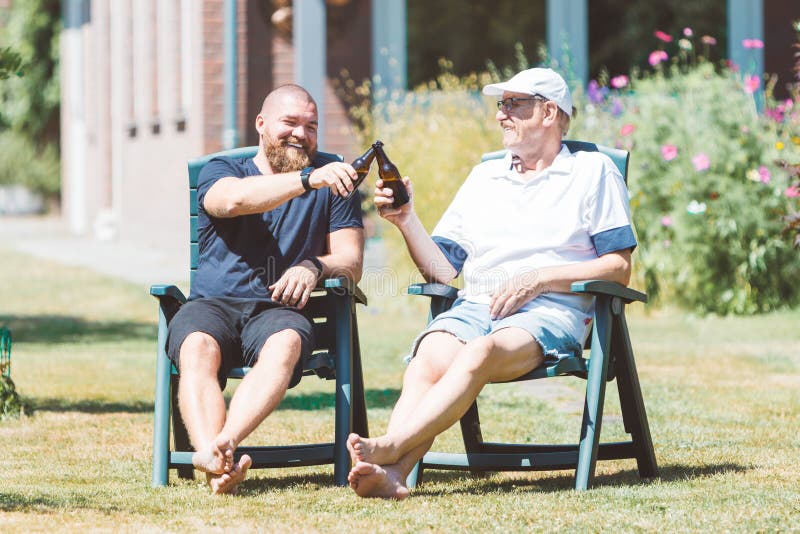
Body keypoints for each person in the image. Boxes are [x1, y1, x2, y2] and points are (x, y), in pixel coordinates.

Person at [346, 68, 637, 499]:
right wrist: (406, 221)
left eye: (513, 104)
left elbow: (618, 266)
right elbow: (444, 271)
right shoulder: (485, 177)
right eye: (501, 105)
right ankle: (396, 474)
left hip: (551, 311)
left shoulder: (592, 171)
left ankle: (392, 447)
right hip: (477, 305)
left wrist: (539, 278)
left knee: (481, 351)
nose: (502, 115)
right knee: (428, 356)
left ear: (549, 111)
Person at [166, 84, 364, 494]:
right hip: (213, 304)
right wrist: (308, 180)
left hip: (279, 309)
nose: (301, 134)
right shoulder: (223, 170)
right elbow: (232, 202)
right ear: (261, 124)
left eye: (311, 126)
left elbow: (352, 261)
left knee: (287, 343)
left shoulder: (335, 178)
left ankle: (224, 446)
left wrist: (315, 266)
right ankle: (213, 460)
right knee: (196, 347)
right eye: (289, 123)